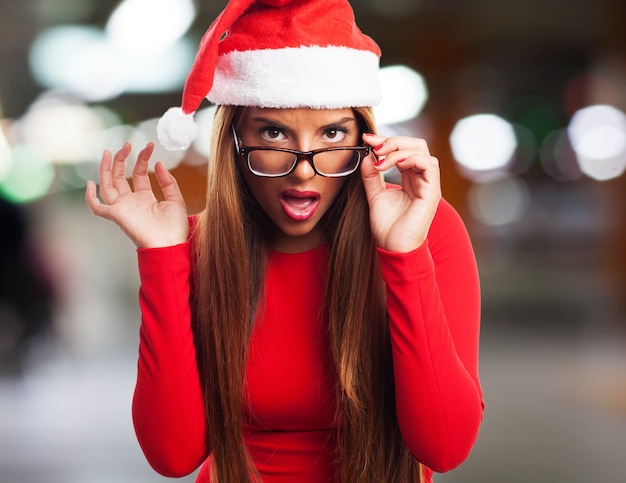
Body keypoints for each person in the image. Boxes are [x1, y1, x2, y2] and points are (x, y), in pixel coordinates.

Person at [85, 0, 483, 482]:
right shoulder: (194, 247)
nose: (302, 169)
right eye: (273, 132)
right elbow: (173, 455)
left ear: (366, 138)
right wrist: (164, 258)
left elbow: (444, 446)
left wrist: (404, 255)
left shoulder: (424, 227)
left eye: (333, 132)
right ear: (233, 139)